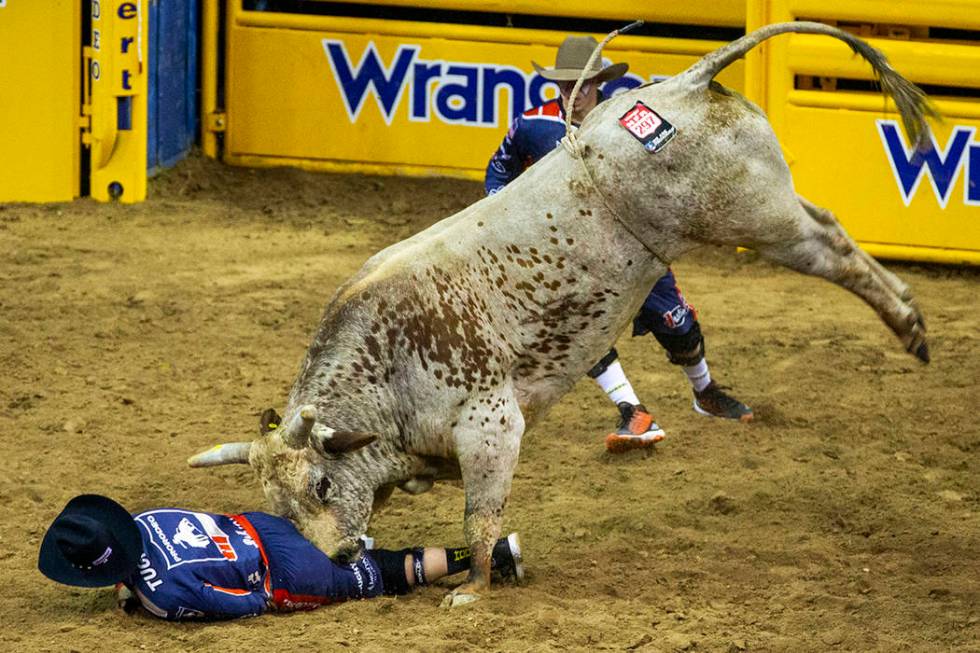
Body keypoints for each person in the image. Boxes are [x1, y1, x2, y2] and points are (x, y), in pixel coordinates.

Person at [485, 35, 753, 454]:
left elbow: (674, 159)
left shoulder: (632, 117)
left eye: (583, 86)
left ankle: (705, 391)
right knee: (578, 327)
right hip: (571, 254)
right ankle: (632, 409)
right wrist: (501, 213)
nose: (573, 96)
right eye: (565, 86)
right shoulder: (533, 125)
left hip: (636, 246)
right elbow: (498, 171)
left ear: (600, 83)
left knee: (675, 322)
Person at [38, 494, 523, 621]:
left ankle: (491, 552)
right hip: (262, 525)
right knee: (364, 551)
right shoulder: (147, 517)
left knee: (386, 573)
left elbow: (243, 604)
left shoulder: (162, 596)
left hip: (286, 573)